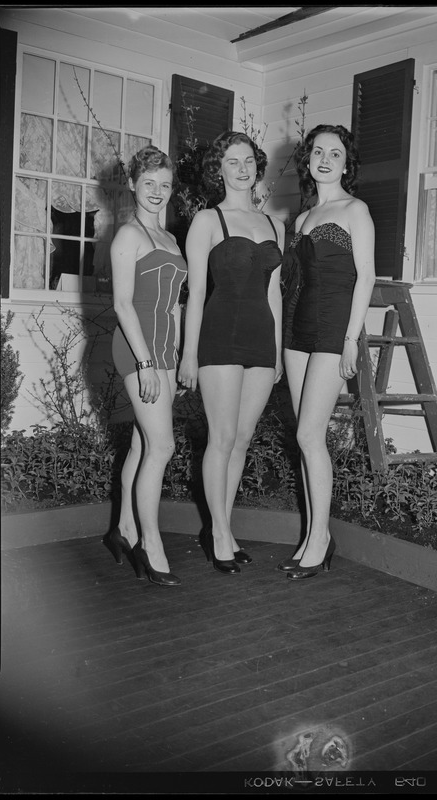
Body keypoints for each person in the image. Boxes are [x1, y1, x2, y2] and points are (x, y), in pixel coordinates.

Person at [178, 131, 284, 574]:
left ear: (257, 166)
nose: (242, 169)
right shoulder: (207, 220)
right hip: (219, 336)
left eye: (248, 161)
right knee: (220, 439)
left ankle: (223, 525)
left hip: (261, 340)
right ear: (217, 170)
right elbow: (197, 290)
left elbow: (274, 291)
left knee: (242, 438)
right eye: (232, 162)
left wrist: (276, 353)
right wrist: (188, 355)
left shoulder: (273, 222)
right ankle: (219, 533)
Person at [278, 124, 376, 580]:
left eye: (334, 153)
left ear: (345, 163)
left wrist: (351, 339)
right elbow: (290, 283)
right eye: (317, 151)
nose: (324, 159)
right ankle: (311, 534)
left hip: (335, 330)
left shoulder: (355, 210)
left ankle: (321, 539)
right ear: (309, 160)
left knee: (308, 437)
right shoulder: (298, 219)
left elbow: (366, 278)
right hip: (298, 331)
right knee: (304, 437)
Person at [102, 146, 187, 586]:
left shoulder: (171, 240)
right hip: (138, 350)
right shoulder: (128, 236)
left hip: (164, 352)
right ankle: (149, 544)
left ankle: (123, 527)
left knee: (142, 444)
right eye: (148, 183)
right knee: (162, 446)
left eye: (165, 184)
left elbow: (172, 307)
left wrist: (178, 357)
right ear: (133, 184)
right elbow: (121, 305)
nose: (157, 192)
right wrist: (147, 362)